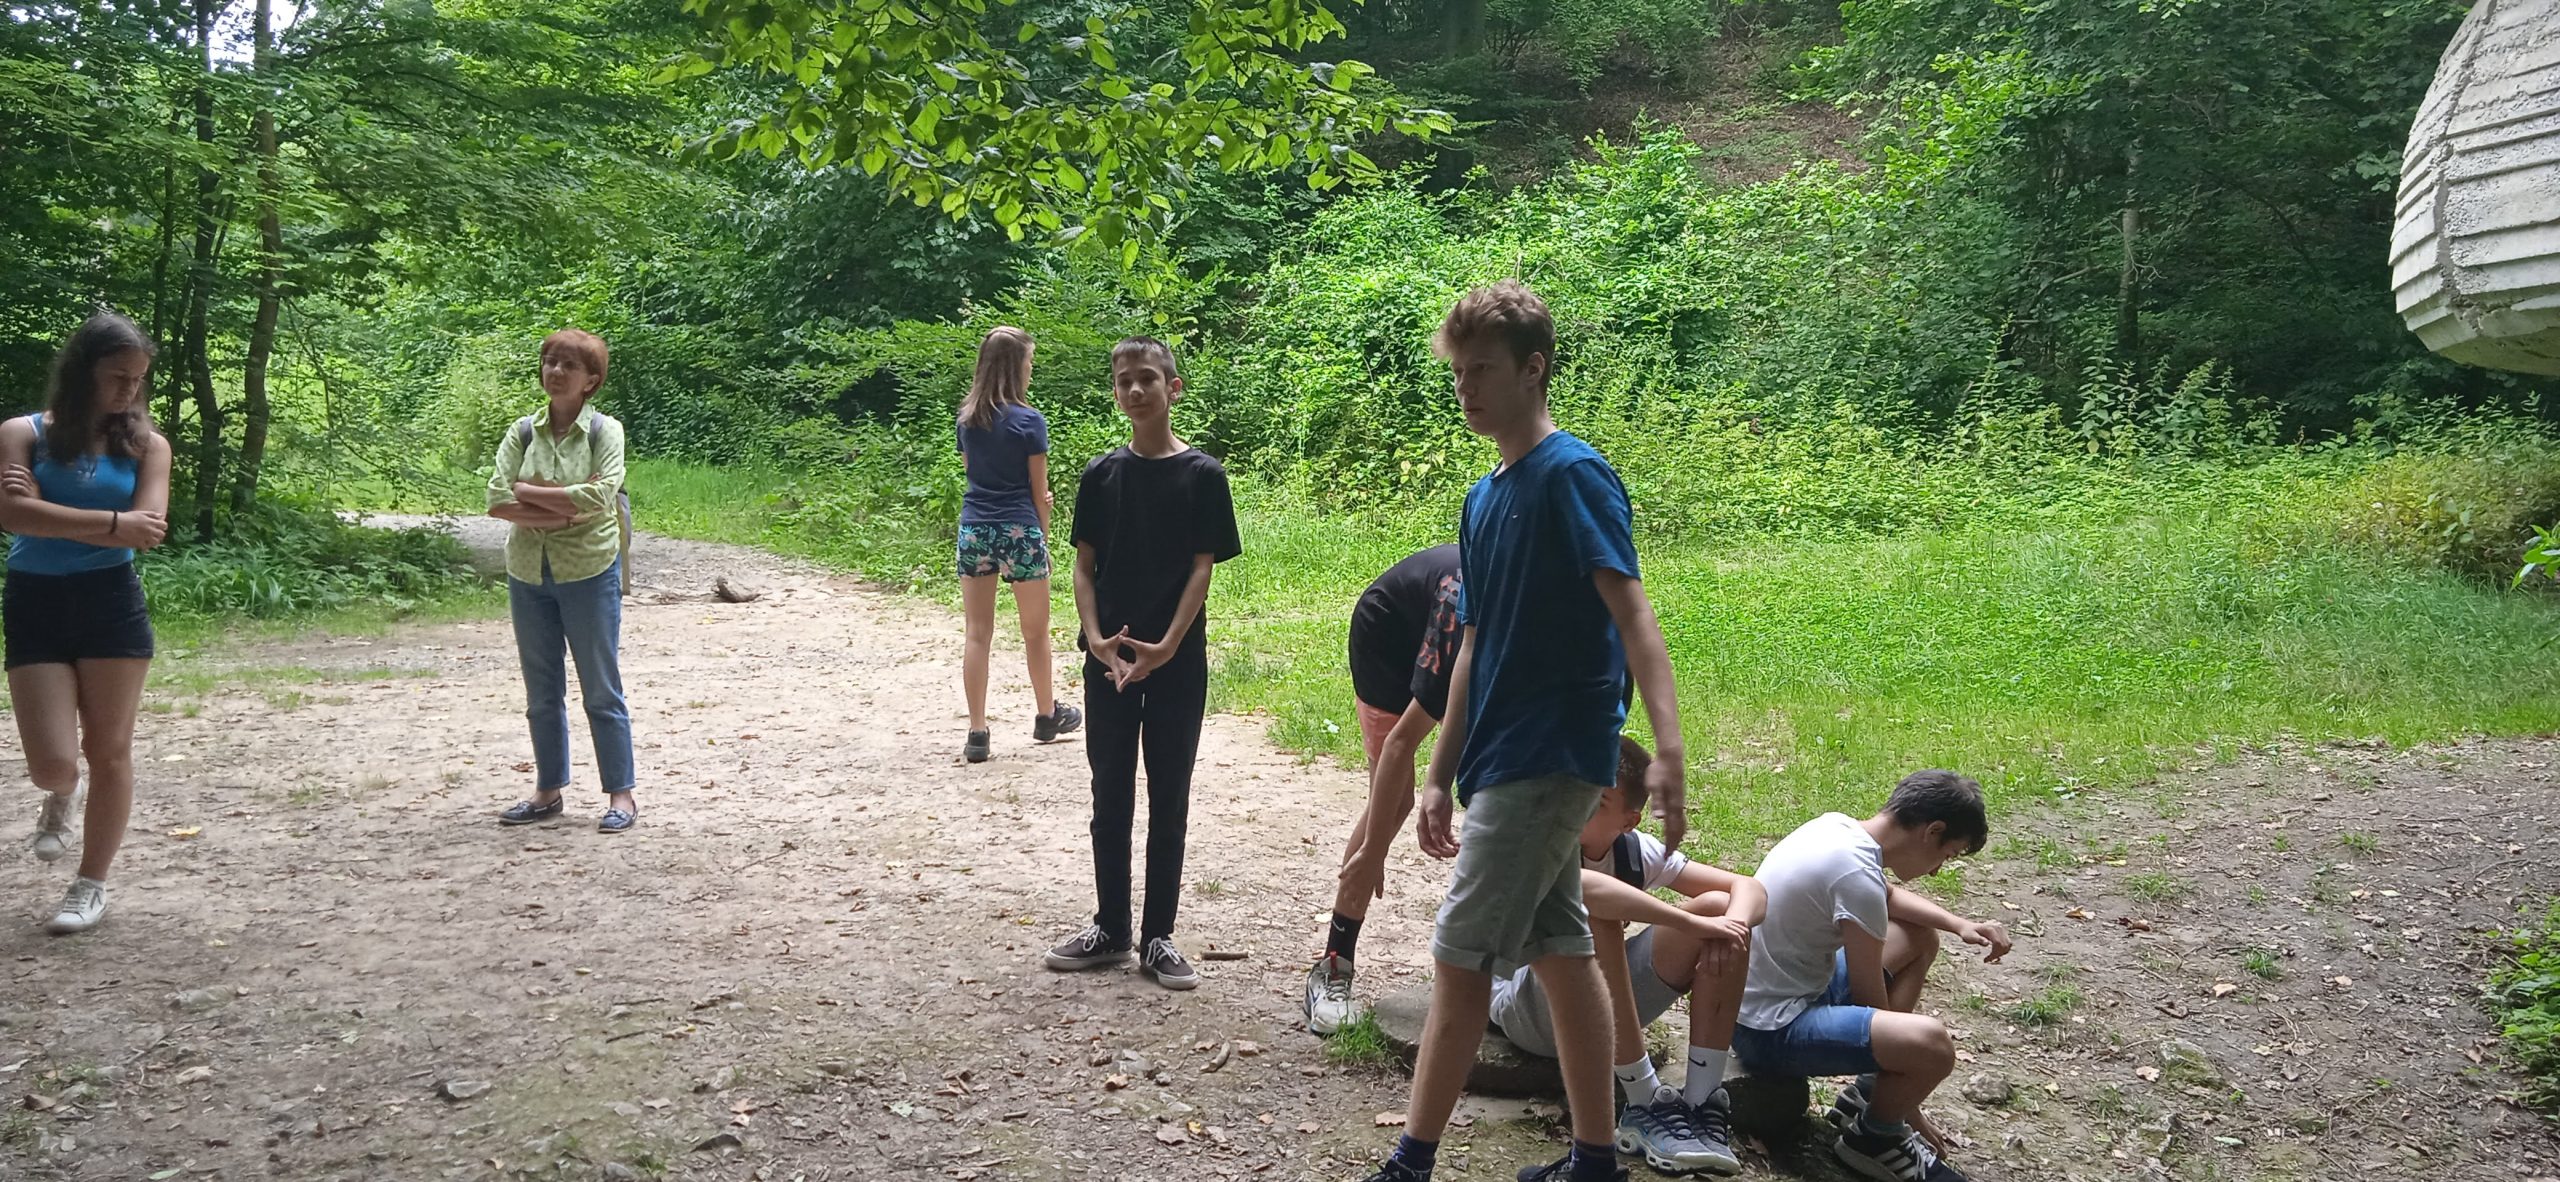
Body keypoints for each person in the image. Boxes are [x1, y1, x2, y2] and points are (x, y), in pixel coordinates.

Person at [1360, 281, 1691, 1182]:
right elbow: (1473, 645)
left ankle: (1410, 1164)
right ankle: (1594, 1159)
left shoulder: (1572, 475)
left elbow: (1634, 614)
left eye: (1482, 370)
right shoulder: (1484, 497)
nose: (1465, 387)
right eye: (1457, 372)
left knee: (1459, 957)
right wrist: (1439, 771)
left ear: (1533, 369)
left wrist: (1667, 749)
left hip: (1554, 752)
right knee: (1561, 948)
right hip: (1499, 756)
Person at [1044, 336, 1241, 991]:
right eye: (1124, 380)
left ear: (1172, 387)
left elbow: (1201, 569)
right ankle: (1111, 928)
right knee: (1110, 794)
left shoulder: (1203, 476)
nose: (1135, 390)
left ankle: (1158, 936)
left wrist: (1168, 646)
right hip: (1109, 661)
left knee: (1169, 794)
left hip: (1177, 663)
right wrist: (1097, 639)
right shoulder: (1101, 475)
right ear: (1115, 391)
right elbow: (1083, 566)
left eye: (1147, 379)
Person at [1489, 739, 1763, 1177]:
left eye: (1596, 801)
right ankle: (1643, 1103)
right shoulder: (1542, 836)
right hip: (1528, 1009)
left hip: (1598, 1010)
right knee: (1600, 917)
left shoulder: (1635, 851)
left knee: (1719, 909)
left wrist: (1731, 924)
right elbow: (1585, 889)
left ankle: (1700, 1105)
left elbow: (1749, 888)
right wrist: (1689, 923)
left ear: (1628, 821)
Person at [1734, 771, 2008, 1182]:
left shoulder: (1836, 828)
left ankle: (1867, 1095)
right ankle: (1877, 1136)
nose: (1937, 871)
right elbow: (1869, 998)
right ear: (1932, 831)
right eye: (1947, 855)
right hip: (1768, 1032)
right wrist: (1908, 1105)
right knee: (1932, 1046)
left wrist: (1959, 924)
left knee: (1919, 937)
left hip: (1769, 997)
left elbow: (1888, 895)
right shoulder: (1856, 876)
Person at [0, 311, 173, 934]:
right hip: (35, 599)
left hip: (111, 600)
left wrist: (47, 510)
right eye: (117, 376)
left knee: (110, 749)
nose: (129, 390)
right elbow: (11, 517)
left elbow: (147, 531)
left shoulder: (149, 446)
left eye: (138, 378)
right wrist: (111, 524)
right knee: (54, 765)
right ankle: (60, 794)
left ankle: (90, 885)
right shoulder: (21, 434)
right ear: (83, 371)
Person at [486, 328, 637, 833]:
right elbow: (495, 498)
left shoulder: (604, 432)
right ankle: (547, 791)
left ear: (591, 380)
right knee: (541, 691)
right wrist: (564, 510)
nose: (555, 372)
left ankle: (621, 795)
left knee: (600, 688)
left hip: (589, 570)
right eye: (550, 362)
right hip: (528, 571)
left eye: (568, 365)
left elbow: (602, 496)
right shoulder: (523, 431)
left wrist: (527, 492)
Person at [1306, 543, 1460, 1034]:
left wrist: (1445, 780)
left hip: (1446, 633)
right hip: (1387, 631)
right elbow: (1401, 743)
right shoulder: (1459, 615)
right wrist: (1374, 848)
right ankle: (1333, 965)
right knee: (1391, 805)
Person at [954, 325, 1081, 763]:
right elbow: (1038, 491)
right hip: (1019, 530)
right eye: (1029, 362)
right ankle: (1046, 715)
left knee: (977, 633)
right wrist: (1042, 533)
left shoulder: (967, 419)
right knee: (1035, 631)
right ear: (1016, 367)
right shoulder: (1030, 421)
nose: (1030, 369)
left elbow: (972, 473)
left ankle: (977, 732)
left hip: (975, 529)